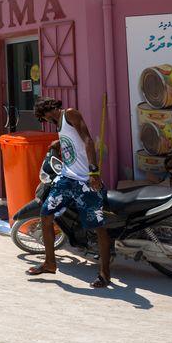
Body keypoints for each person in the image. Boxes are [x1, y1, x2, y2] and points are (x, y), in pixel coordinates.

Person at [25, 97, 113, 289]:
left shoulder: (70, 114)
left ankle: (105, 274)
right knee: (46, 214)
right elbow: (72, 140)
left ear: (49, 110)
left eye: (45, 117)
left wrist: (94, 171)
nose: (46, 121)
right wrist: (58, 143)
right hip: (66, 179)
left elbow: (88, 140)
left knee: (98, 226)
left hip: (85, 181)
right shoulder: (60, 125)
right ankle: (50, 263)